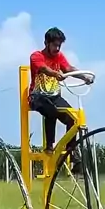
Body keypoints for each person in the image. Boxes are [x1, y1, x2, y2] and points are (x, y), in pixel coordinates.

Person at [29, 27, 92, 174]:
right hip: (38, 96)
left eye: (59, 46)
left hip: (55, 96)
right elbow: (44, 69)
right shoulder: (36, 56)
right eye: (54, 45)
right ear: (46, 43)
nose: (57, 49)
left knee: (73, 119)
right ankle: (49, 146)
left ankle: (72, 152)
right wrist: (55, 74)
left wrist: (84, 77)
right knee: (51, 111)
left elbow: (68, 68)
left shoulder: (59, 56)